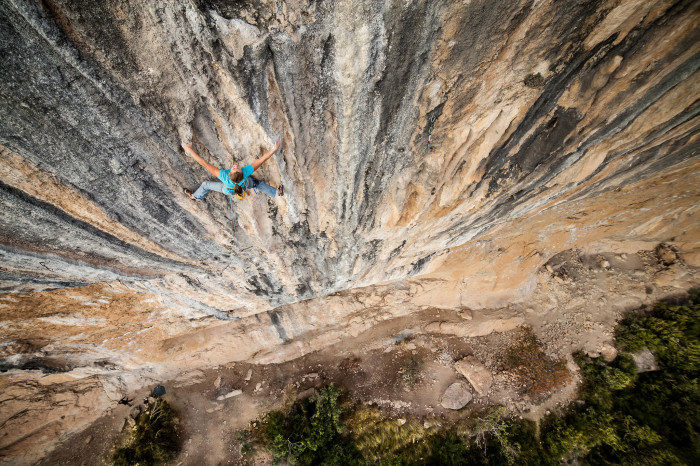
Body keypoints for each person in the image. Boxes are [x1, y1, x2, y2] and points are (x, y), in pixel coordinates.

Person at [182, 139, 283, 201]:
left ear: (229, 173)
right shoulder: (245, 172)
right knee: (256, 183)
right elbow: (261, 160)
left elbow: (204, 163)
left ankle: (195, 197)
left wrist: (189, 149)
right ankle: (276, 192)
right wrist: (274, 149)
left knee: (205, 185)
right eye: (237, 168)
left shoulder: (223, 176)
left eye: (235, 168)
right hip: (244, 185)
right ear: (242, 173)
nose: (235, 165)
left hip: (228, 191)